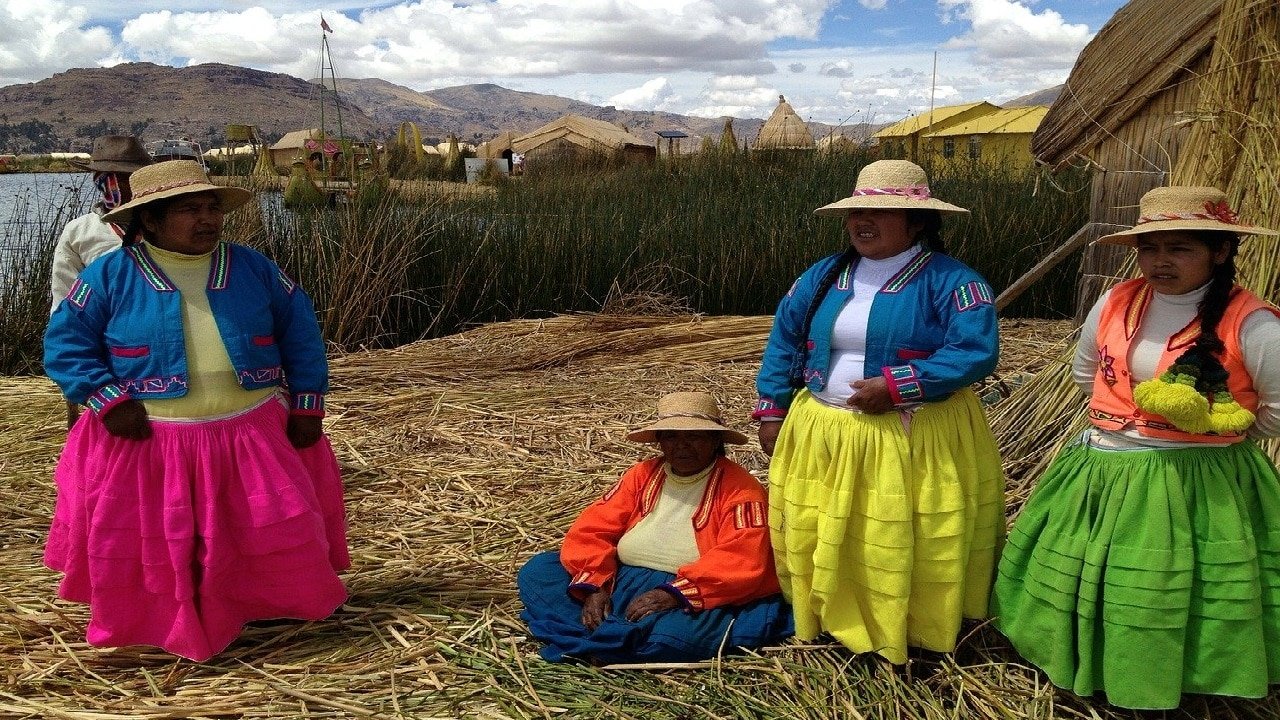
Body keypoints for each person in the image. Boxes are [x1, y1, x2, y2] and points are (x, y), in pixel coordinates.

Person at [42, 160, 349, 662]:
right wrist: (104, 399)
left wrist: (308, 403)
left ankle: (259, 604)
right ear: (151, 220)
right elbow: (66, 344)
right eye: (190, 210)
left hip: (249, 432)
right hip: (150, 439)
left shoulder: (253, 268)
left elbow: (300, 331)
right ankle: (162, 618)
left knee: (255, 527)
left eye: (212, 208)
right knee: (162, 539)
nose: (208, 219)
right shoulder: (109, 275)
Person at [990, 186, 1280, 709]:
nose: (1160, 261)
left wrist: (1214, 436)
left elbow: (1276, 409)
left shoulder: (1253, 322)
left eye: (1180, 248)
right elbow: (1086, 371)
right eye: (1150, 248)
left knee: (1165, 588)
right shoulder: (1116, 300)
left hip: (1196, 479)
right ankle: (1084, 660)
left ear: (1220, 251)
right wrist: (1123, 421)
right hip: (1102, 463)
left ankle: (1175, 676)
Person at [754, 159, 1004, 664]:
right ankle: (831, 620)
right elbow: (785, 339)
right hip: (824, 427)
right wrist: (772, 408)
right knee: (829, 527)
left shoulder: (953, 282)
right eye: (857, 213)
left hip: (911, 433)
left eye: (882, 212)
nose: (863, 222)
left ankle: (911, 631)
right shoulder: (824, 275)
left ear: (918, 222)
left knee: (898, 532)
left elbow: (974, 351)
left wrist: (899, 386)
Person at [517, 391, 793, 664]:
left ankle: (595, 638)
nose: (682, 446)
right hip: (621, 579)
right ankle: (617, 640)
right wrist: (594, 586)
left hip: (691, 593)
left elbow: (742, 559)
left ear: (715, 440)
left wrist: (673, 594)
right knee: (538, 571)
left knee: (673, 635)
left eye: (694, 436)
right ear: (659, 441)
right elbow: (594, 527)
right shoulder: (643, 474)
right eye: (671, 436)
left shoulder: (741, 489)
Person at [53, 136, 154, 428]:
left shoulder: (168, 227)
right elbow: (64, 299)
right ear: (100, 180)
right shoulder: (80, 232)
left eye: (130, 178)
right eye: (114, 178)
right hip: (102, 338)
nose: (122, 186)